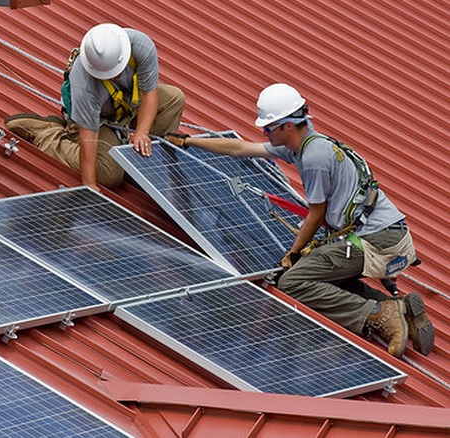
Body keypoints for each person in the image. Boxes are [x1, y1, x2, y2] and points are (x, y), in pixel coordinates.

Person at [165, 83, 434, 358]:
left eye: (269, 128)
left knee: (292, 281)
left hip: (376, 241)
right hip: (387, 235)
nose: (264, 132)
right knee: (318, 275)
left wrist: (292, 254)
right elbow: (240, 148)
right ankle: (399, 308)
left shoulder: (314, 158)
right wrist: (189, 141)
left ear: (288, 126)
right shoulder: (305, 146)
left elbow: (316, 214)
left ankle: (377, 314)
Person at [4, 23, 185, 191]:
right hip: (98, 120)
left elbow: (149, 94)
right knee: (108, 175)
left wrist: (141, 133)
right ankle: (48, 134)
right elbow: (88, 137)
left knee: (174, 99)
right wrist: (89, 183)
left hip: (128, 104)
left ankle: (140, 160)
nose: (114, 76)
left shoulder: (140, 46)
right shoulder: (84, 82)